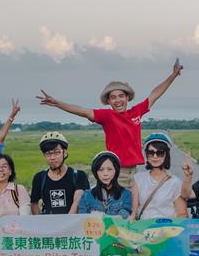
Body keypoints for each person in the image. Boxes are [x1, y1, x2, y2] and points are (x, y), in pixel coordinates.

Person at [36, 59, 184, 189]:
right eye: (113, 97)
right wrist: (57, 103)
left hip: (136, 170)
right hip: (118, 171)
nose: (118, 100)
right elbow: (83, 111)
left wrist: (173, 76)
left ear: (127, 98)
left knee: (135, 208)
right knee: (119, 209)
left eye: (121, 96)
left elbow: (155, 94)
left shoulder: (136, 112)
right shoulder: (107, 116)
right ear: (108, 101)